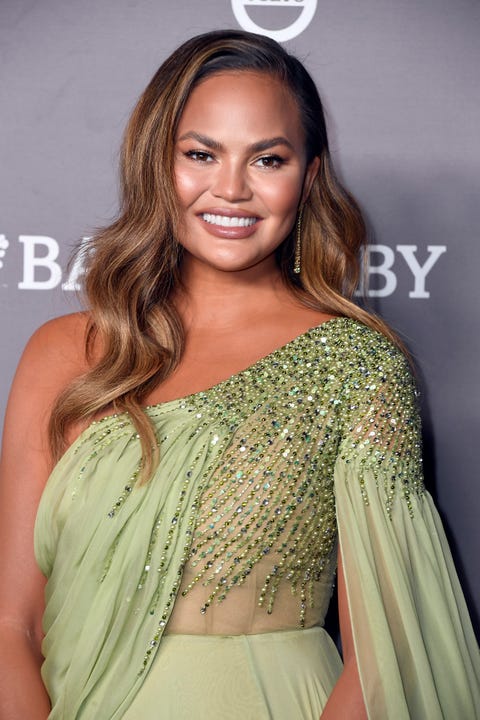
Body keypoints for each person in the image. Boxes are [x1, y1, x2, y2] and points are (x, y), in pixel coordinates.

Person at [0, 29, 478, 720]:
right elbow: (12, 626)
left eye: (268, 159)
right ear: (158, 165)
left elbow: (388, 653)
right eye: (201, 154)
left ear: (308, 177)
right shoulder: (61, 353)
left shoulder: (359, 367)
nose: (231, 188)